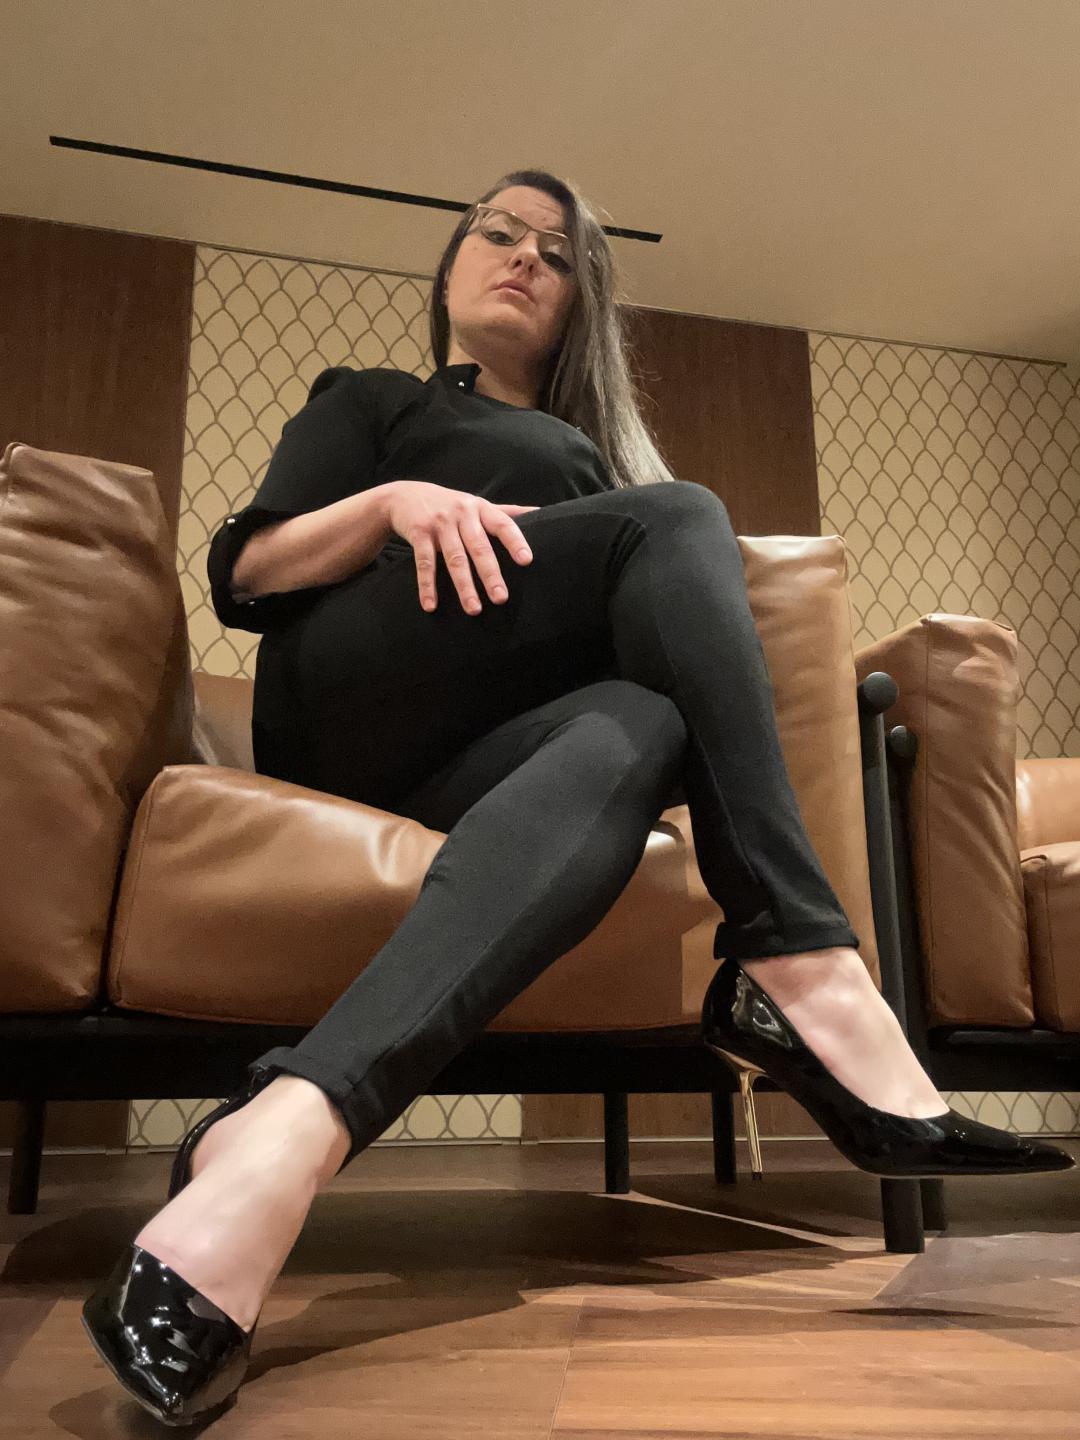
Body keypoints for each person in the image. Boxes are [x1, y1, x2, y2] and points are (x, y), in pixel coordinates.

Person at [82, 168, 1073, 1427]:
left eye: (557, 255)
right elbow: (247, 574)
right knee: (681, 517)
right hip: (354, 699)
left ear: (578, 306)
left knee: (646, 718)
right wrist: (393, 502)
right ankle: (805, 967)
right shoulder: (376, 400)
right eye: (499, 233)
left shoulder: (597, 470)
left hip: (501, 757)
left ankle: (278, 1134)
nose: (524, 258)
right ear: (451, 265)